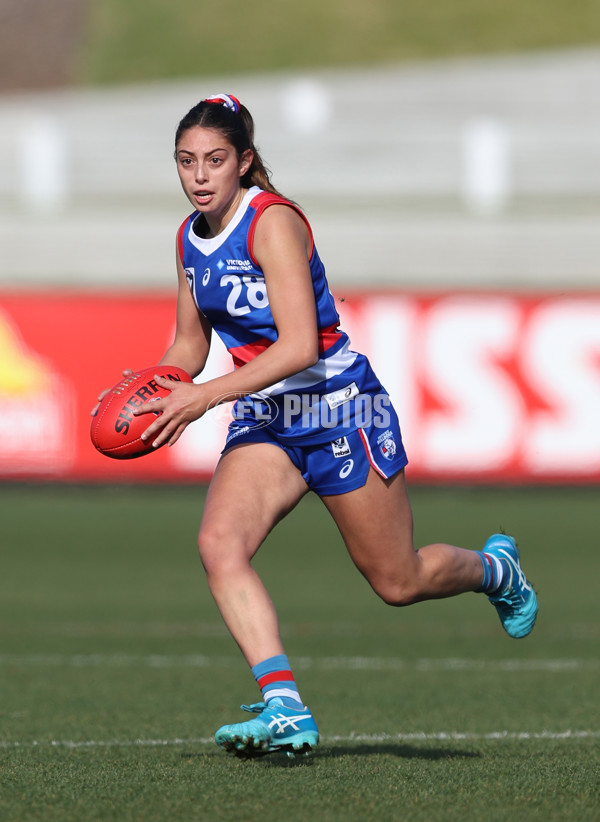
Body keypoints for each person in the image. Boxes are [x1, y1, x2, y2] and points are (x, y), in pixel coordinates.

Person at [105, 92, 538, 758]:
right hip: (268, 416)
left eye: (215, 159)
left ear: (243, 161)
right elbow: (189, 344)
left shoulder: (272, 222)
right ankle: (285, 706)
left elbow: (300, 346)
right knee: (219, 544)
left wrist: (205, 397)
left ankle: (496, 571)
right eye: (186, 161)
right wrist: (154, 390)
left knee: (398, 581)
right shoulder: (190, 238)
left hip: (339, 406)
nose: (199, 175)